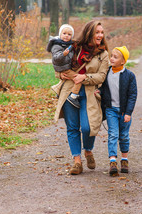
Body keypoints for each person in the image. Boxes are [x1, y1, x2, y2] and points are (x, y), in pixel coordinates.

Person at [54, 20, 109, 175]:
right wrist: (60, 74)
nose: (100, 35)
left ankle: (88, 150)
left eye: (101, 32)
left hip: (90, 94)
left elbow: (101, 76)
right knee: (72, 127)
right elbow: (59, 64)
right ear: (89, 33)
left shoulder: (103, 54)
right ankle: (77, 162)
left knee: (88, 127)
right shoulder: (74, 48)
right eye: (97, 32)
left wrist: (83, 78)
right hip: (69, 91)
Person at [100, 46, 138, 176]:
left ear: (123, 61)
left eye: (115, 57)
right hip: (111, 110)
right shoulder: (107, 73)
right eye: (111, 56)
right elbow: (103, 89)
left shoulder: (129, 76)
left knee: (124, 136)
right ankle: (112, 161)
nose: (111, 59)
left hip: (124, 112)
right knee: (113, 134)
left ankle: (124, 159)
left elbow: (132, 95)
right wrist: (98, 92)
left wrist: (128, 113)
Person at [47, 24, 82, 108]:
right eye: (64, 33)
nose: (66, 36)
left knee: (66, 80)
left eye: (69, 34)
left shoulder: (68, 45)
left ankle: (58, 90)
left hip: (66, 67)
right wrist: (63, 54)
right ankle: (73, 96)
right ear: (60, 34)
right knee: (78, 79)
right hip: (63, 68)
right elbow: (55, 58)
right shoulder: (57, 45)